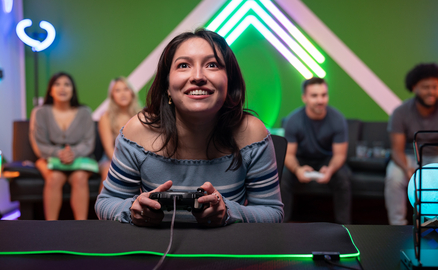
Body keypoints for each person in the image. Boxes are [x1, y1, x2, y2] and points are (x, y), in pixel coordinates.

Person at [95, 29, 284, 227]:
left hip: (227, 253)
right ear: (167, 85)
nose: (198, 76)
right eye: (183, 65)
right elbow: (106, 203)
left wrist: (229, 212)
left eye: (212, 65)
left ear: (229, 81)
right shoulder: (137, 131)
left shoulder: (252, 132)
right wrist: (132, 210)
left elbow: (272, 212)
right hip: (154, 253)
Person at [385, 63, 438, 225]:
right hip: (410, 157)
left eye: (435, 87)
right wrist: (407, 168)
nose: (431, 92)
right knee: (394, 177)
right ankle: (397, 225)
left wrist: (433, 173)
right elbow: (396, 150)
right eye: (426, 87)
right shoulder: (400, 112)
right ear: (414, 88)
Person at [281, 77, 351, 224]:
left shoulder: (338, 119)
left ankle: (344, 226)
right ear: (304, 98)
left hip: (327, 160)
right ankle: (282, 225)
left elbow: (340, 155)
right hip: (301, 160)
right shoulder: (293, 121)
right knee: (283, 177)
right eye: (314, 96)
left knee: (343, 178)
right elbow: (289, 155)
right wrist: (298, 169)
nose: (320, 100)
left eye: (324, 95)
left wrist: (330, 169)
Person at [29, 72, 95, 220]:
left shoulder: (85, 112)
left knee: (80, 178)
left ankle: (81, 228)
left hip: (80, 158)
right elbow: (39, 144)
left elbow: (88, 142)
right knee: (54, 178)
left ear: (73, 90)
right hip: (48, 158)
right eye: (57, 84)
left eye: (67, 84)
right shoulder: (40, 112)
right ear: (50, 90)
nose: (62, 88)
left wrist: (73, 153)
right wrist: (58, 153)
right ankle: (50, 228)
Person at [98, 77, 141, 192]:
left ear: (131, 92)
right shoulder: (105, 117)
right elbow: (108, 148)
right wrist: (125, 165)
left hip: (138, 158)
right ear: (112, 96)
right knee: (108, 172)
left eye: (126, 89)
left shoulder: (142, 115)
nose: (122, 94)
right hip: (111, 157)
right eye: (117, 90)